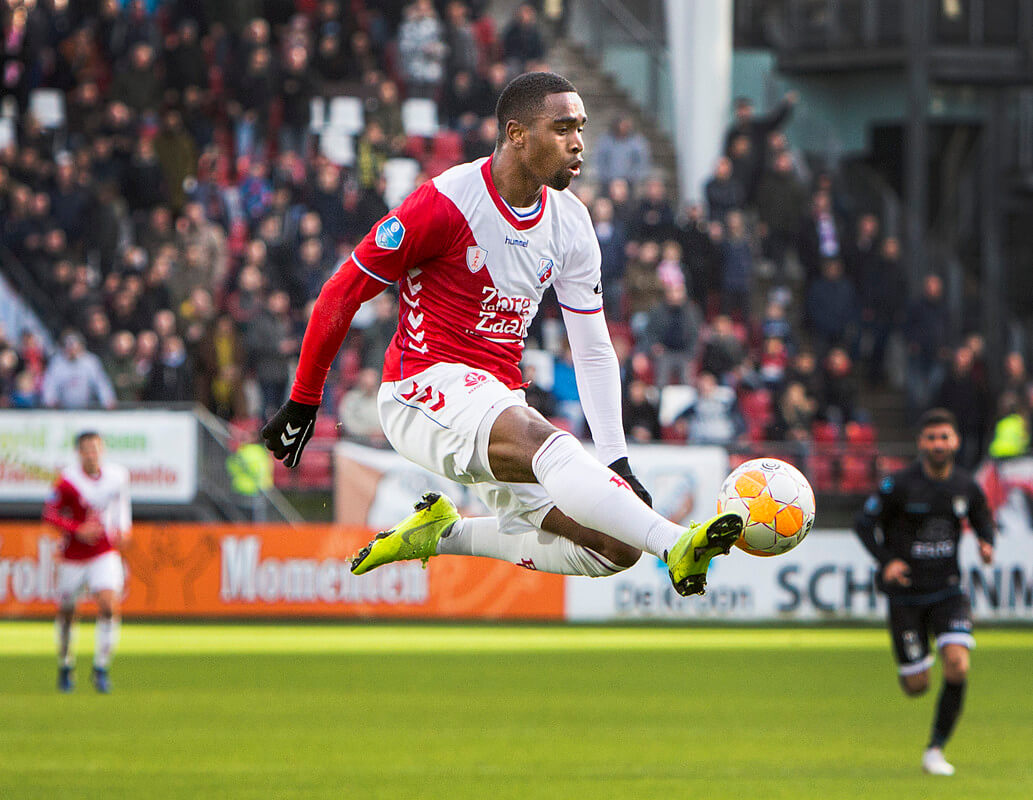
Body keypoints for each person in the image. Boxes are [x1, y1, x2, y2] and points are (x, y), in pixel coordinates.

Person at [260, 72, 742, 597]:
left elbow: (593, 347)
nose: (578, 142)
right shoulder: (445, 202)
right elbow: (341, 291)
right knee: (545, 442)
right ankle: (677, 544)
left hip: (497, 400)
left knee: (615, 547)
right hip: (422, 389)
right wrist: (305, 397)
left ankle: (443, 534)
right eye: (562, 128)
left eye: (580, 127)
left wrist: (615, 456)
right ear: (516, 134)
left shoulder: (573, 223)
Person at [854, 409, 995, 776]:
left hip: (948, 591)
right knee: (917, 685)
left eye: (944, 437)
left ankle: (935, 749)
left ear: (956, 441)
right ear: (921, 443)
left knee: (957, 663)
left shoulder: (965, 485)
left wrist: (986, 542)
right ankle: (916, 660)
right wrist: (886, 560)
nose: (938, 444)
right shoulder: (899, 485)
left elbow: (981, 515)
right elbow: (864, 523)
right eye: (931, 438)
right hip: (905, 596)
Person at [42, 432, 131, 694]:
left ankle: (101, 668)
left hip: (104, 551)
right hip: (73, 555)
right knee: (69, 613)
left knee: (108, 605)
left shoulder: (117, 476)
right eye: (86, 450)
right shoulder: (68, 480)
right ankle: (66, 664)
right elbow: (50, 514)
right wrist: (76, 528)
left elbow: (121, 506)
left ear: (101, 450)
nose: (91, 454)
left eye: (95, 448)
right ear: (79, 453)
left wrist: (124, 529)